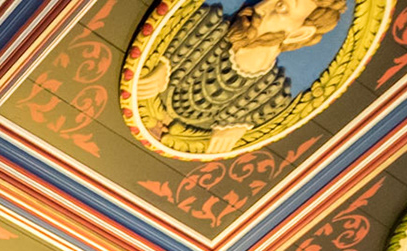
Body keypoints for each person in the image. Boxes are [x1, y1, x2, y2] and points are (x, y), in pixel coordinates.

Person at [132, 0, 348, 154]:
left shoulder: (269, 97)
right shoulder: (205, 28)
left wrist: (239, 124)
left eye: (281, 6)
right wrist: (163, 64)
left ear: (299, 33)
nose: (260, 6)